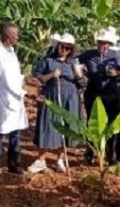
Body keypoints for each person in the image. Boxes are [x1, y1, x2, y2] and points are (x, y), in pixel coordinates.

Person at [28, 34, 84, 173]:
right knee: (47, 125)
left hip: (70, 98)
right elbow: (37, 77)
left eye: (68, 48)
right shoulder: (48, 60)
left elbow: (83, 84)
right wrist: (51, 75)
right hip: (51, 96)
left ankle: (60, 159)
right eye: (62, 46)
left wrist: (79, 75)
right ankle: (41, 160)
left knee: (65, 127)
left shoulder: (74, 63)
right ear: (57, 45)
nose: (64, 50)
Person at [78, 27, 120, 165]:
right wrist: (80, 72)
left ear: (109, 44)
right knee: (92, 123)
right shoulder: (88, 54)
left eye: (105, 43)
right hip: (93, 92)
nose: (102, 46)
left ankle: (110, 155)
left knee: (110, 123)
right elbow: (73, 61)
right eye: (99, 43)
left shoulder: (116, 55)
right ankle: (89, 153)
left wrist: (117, 74)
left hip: (111, 93)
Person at [0, 22, 29, 178]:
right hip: (4, 101)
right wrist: (26, 93)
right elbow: (8, 81)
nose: (17, 37)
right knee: (0, 134)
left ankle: (14, 165)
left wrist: (26, 79)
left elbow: (15, 76)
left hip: (15, 100)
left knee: (15, 133)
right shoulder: (0, 54)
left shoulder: (11, 52)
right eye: (15, 34)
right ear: (7, 36)